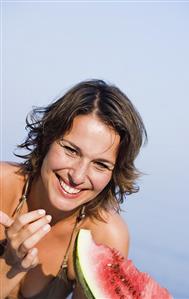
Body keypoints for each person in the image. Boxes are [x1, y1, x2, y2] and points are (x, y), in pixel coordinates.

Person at [0, 79, 147, 299]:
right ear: (47, 139)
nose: (77, 176)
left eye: (100, 164)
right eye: (71, 150)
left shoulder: (105, 235)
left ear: (114, 174)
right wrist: (9, 265)